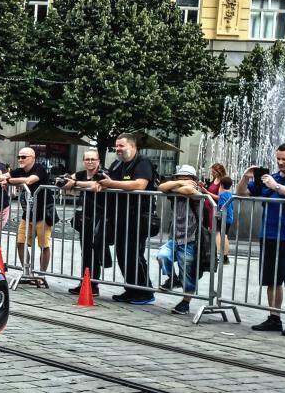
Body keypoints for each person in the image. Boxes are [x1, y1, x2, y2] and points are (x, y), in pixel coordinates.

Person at [237, 140, 285, 336]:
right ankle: (274, 317)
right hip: (269, 235)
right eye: (278, 159)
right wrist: (246, 177)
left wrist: (277, 186)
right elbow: (241, 193)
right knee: (272, 279)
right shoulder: (267, 178)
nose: (281, 163)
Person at [100, 132, 157, 303]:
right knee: (122, 254)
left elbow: (140, 184)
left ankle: (145, 292)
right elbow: (107, 178)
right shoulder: (118, 164)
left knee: (134, 254)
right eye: (116, 146)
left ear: (132, 146)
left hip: (138, 217)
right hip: (120, 217)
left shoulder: (143, 162)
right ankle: (131, 288)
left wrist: (111, 184)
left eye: (121, 145)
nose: (118, 149)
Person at [156, 164, 212, 315]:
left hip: (191, 237)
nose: (183, 179)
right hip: (175, 236)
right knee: (162, 255)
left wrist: (179, 186)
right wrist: (180, 183)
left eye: (187, 177)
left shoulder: (198, 191)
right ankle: (173, 279)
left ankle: (185, 303)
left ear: (194, 179)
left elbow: (189, 191)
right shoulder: (176, 187)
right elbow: (161, 187)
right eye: (180, 177)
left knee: (187, 272)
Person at [58, 147, 110, 294]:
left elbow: (95, 185)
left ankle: (93, 285)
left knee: (95, 251)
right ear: (83, 161)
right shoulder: (81, 174)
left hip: (101, 218)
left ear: (98, 161)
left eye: (93, 159)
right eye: (87, 159)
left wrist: (75, 183)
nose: (90, 162)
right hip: (86, 218)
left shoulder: (103, 173)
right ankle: (85, 282)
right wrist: (68, 181)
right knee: (86, 252)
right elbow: (66, 182)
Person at [4, 145, 54, 285]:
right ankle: (27, 272)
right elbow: (6, 175)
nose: (20, 159)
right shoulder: (20, 170)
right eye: (19, 157)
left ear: (32, 158)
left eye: (23, 157)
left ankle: (41, 275)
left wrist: (9, 181)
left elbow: (29, 180)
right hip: (28, 213)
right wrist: (5, 177)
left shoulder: (40, 168)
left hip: (43, 212)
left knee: (43, 245)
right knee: (20, 242)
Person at [216, 176, 235, 264]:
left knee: (223, 236)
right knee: (225, 235)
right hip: (229, 218)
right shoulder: (230, 195)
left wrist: (218, 214)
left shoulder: (222, 195)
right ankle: (224, 256)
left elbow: (221, 207)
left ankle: (224, 256)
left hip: (224, 218)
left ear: (222, 185)